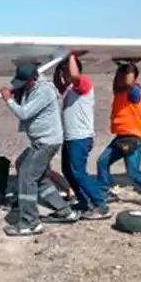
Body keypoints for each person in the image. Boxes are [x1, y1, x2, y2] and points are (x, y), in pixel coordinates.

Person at [1, 63, 80, 235]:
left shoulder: (44, 91)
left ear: (34, 79)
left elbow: (24, 113)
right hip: (41, 141)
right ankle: (64, 211)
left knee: (27, 176)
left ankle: (30, 222)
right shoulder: (33, 89)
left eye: (25, 82)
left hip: (46, 142)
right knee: (33, 171)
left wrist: (8, 99)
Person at [94, 61, 141, 206]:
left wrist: (130, 65)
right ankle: (103, 191)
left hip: (133, 138)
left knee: (133, 173)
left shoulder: (134, 91)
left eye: (121, 76)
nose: (117, 79)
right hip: (123, 137)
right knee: (102, 162)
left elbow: (129, 83)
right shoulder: (120, 92)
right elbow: (117, 85)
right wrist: (120, 69)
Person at [52, 52, 111, 220]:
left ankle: (100, 205)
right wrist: (57, 64)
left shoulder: (83, 83)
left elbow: (75, 75)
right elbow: (57, 83)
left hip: (80, 136)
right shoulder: (69, 88)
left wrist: (71, 55)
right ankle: (83, 201)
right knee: (68, 171)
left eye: (66, 70)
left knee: (79, 172)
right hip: (70, 136)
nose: (64, 74)